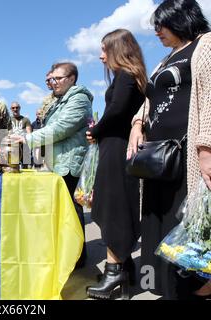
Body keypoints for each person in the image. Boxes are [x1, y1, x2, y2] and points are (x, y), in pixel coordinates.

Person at [127, 0, 211, 300]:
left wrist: (206, 147)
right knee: (158, 220)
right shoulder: (166, 59)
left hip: (186, 153)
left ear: (181, 19)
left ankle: (192, 289)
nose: (156, 31)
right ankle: (163, 287)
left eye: (161, 24)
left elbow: (210, 94)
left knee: (186, 222)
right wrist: (137, 125)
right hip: (157, 157)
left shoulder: (206, 45)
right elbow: (150, 99)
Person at [11, 62, 93, 267]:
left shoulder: (79, 99)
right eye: (52, 79)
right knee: (60, 212)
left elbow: (61, 128)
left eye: (58, 78)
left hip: (69, 163)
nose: (53, 82)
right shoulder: (60, 100)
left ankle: (77, 258)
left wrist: (27, 139)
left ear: (72, 78)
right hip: (57, 162)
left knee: (72, 212)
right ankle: (67, 253)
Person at [85, 29, 147, 300]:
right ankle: (126, 274)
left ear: (117, 50)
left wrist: (95, 130)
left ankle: (115, 272)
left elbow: (117, 110)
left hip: (117, 148)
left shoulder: (125, 76)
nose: (100, 56)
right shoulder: (129, 76)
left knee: (113, 209)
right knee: (114, 206)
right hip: (117, 147)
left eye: (104, 50)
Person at [10, 102, 32, 168]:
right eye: (13, 108)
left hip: (24, 146)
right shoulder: (8, 120)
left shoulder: (26, 120)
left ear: (19, 108)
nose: (15, 109)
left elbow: (29, 133)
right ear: (11, 109)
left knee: (26, 166)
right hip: (13, 146)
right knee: (14, 167)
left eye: (17, 107)